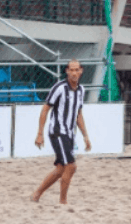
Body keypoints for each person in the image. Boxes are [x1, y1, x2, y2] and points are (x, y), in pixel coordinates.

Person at [32, 60, 92, 204]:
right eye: (71, 70)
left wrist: (85, 136)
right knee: (71, 166)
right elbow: (45, 108)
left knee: (60, 169)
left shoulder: (81, 90)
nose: (74, 73)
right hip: (58, 132)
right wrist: (40, 133)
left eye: (77, 70)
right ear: (66, 71)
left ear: (81, 71)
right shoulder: (59, 88)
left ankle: (36, 194)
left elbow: (78, 114)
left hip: (69, 134)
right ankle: (63, 202)